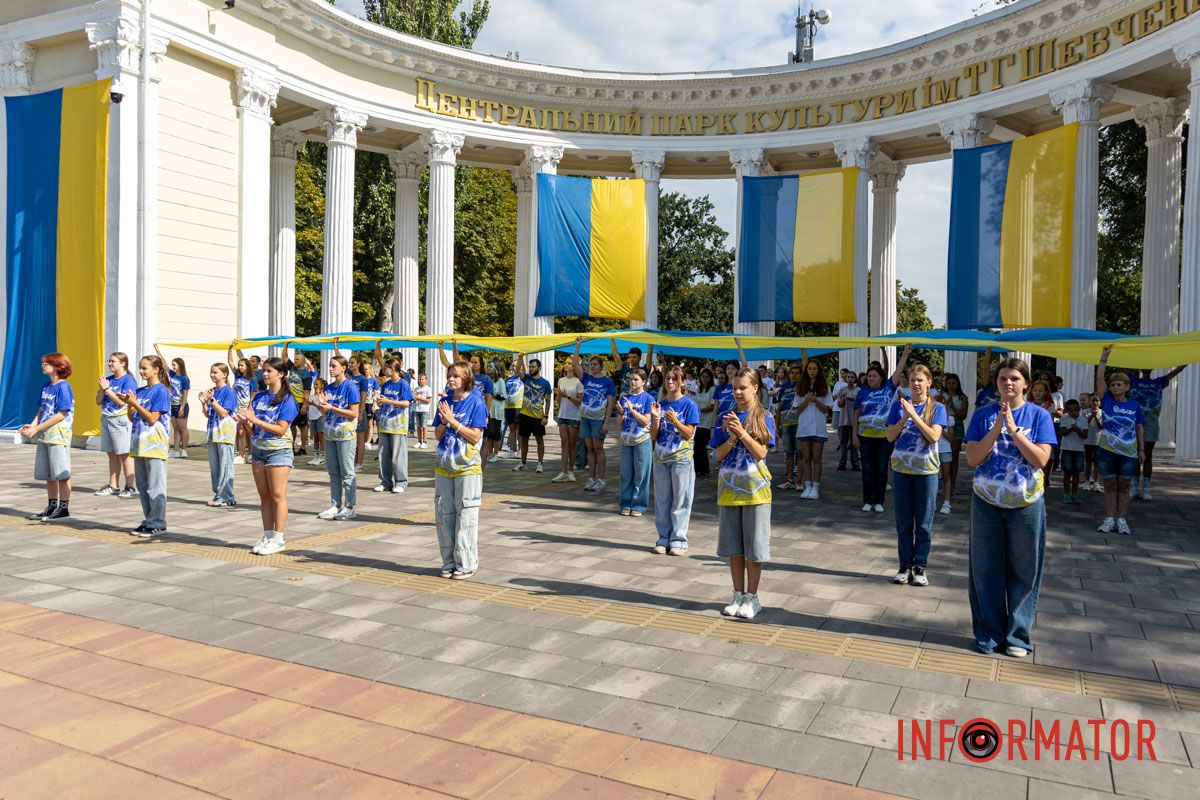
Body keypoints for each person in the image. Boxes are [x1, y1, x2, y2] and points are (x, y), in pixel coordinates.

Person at [964, 357, 1056, 658]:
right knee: (985, 569)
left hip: (1026, 505)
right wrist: (997, 428)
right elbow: (973, 458)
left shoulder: (1039, 415)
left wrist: (1015, 431)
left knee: (1024, 570)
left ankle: (1018, 636)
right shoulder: (982, 414)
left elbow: (1041, 460)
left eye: (1014, 378)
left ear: (1026, 383)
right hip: (987, 504)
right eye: (1003, 378)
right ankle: (989, 634)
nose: (1008, 383)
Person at [712, 367, 776, 621]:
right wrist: (730, 437)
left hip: (756, 491)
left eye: (742, 387)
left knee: (754, 549)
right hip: (729, 490)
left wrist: (742, 433)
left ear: (755, 388)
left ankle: (752, 597)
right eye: (734, 387)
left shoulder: (764, 416)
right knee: (734, 548)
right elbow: (718, 454)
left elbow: (761, 452)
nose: (737, 392)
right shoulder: (725, 416)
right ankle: (737, 593)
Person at [885, 364, 946, 587]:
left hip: (926, 472)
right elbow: (890, 437)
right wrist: (904, 417)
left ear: (929, 382)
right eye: (912, 380)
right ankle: (904, 565)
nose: (916, 384)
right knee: (903, 522)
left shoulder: (937, 408)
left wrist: (914, 416)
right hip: (901, 471)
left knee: (923, 523)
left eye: (920, 380)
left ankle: (920, 566)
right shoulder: (898, 406)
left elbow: (933, 437)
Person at [238, 357, 299, 555]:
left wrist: (254, 419)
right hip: (259, 449)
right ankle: (267, 535)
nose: (264, 374)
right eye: (264, 370)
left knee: (277, 495)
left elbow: (281, 429)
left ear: (280, 374)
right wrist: (245, 421)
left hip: (278, 450)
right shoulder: (259, 397)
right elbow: (253, 428)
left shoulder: (288, 399)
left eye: (269, 371)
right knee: (264, 496)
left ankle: (279, 538)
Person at [435, 361, 488, 580]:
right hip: (444, 467)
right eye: (449, 375)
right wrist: (444, 421)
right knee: (444, 515)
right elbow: (438, 435)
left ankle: (466, 562)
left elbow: (475, 436)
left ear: (466, 378)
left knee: (465, 515)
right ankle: (448, 562)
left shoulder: (476, 403)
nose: (451, 379)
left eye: (456, 376)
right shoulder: (445, 402)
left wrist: (453, 421)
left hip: (467, 468)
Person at [852, 345, 912, 513]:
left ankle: (879, 501)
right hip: (865, 437)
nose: (871, 378)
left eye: (874, 376)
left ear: (880, 377)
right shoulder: (862, 393)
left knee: (881, 469)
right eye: (869, 376)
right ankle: (867, 500)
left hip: (884, 438)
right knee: (867, 469)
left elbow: (898, 370)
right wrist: (854, 436)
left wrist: (905, 353)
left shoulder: (888, 388)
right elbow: (855, 415)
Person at [1094, 346, 1144, 536]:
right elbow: (1099, 379)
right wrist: (1103, 359)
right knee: (1109, 485)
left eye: (1119, 384)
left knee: (1124, 486)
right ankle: (1108, 519)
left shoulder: (1134, 405)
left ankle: (1121, 520)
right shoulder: (1106, 399)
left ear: (1127, 386)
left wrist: (1141, 450)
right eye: (1113, 384)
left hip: (1128, 453)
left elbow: (1139, 427)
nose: (1115, 387)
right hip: (1106, 451)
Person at [650, 366, 699, 554]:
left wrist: (675, 422)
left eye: (674, 379)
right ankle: (663, 538)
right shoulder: (660, 404)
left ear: (682, 382)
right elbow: (654, 435)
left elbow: (689, 434)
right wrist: (655, 419)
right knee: (662, 500)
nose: (670, 382)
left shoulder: (689, 405)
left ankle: (679, 539)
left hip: (681, 459)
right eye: (667, 379)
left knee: (681, 500)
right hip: (661, 458)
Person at [23, 353, 75, 522]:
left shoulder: (63, 387)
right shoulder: (46, 386)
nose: (42, 366)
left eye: (46, 363)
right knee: (49, 474)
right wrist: (32, 426)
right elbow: (41, 410)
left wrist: (37, 428)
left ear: (57, 366)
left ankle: (64, 509)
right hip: (45, 435)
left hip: (58, 435)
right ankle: (52, 506)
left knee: (61, 472)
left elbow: (61, 414)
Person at [126, 355, 172, 537]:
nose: (141, 371)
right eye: (140, 367)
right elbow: (132, 417)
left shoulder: (161, 391)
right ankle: (149, 520)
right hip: (140, 444)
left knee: (155, 485)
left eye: (145, 368)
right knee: (143, 486)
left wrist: (134, 403)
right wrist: (131, 404)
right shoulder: (140, 390)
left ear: (156, 369)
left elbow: (153, 418)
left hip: (155, 445)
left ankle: (158, 522)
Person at [313, 355, 361, 521]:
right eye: (330, 366)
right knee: (333, 472)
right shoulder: (330, 388)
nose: (331, 369)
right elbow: (326, 412)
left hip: (346, 435)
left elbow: (353, 413)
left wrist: (332, 407)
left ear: (343, 368)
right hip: (330, 434)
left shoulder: (350, 387)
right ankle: (335, 505)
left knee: (347, 472)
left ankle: (350, 506)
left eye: (334, 366)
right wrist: (322, 405)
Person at [1129, 365, 1187, 500]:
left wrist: (1185, 362)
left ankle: (1146, 489)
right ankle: (1135, 487)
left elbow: (1175, 372)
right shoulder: (1133, 380)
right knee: (1134, 455)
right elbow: (1124, 366)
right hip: (1134, 420)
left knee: (1148, 455)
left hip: (1151, 421)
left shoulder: (1158, 382)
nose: (1146, 367)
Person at [573, 338, 616, 492]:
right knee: (589, 448)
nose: (592, 366)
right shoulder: (587, 378)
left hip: (598, 420)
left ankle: (602, 479)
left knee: (599, 448)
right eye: (591, 364)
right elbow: (574, 365)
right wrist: (578, 346)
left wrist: (606, 423)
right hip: (585, 418)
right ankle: (591, 478)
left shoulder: (608, 382)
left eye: (595, 364)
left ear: (601, 366)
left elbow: (610, 404)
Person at [95, 352, 138, 498]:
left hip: (120, 420)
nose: (110, 364)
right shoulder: (108, 380)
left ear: (123, 363)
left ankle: (130, 486)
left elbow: (122, 402)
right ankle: (113, 485)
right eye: (109, 361)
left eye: (113, 361)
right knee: (111, 453)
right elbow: (98, 401)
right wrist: (102, 389)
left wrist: (107, 389)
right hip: (107, 418)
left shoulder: (128, 380)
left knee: (124, 454)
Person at [374, 342, 413, 493]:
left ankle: (401, 482)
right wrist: (378, 400)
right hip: (385, 424)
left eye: (386, 368)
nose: (384, 370)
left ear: (393, 369)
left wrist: (388, 401)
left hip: (398, 425)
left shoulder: (403, 384)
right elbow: (383, 400)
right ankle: (385, 482)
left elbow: (406, 403)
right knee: (383, 455)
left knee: (398, 456)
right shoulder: (386, 384)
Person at [198, 363, 238, 508]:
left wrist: (212, 401)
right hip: (212, 433)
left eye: (215, 372)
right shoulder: (211, 391)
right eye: (211, 372)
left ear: (225, 374)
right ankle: (218, 494)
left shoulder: (229, 392)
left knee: (225, 466)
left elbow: (223, 412)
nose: (212, 375)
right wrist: (203, 403)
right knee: (215, 467)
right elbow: (208, 413)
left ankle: (227, 496)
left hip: (225, 434)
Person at [617, 368, 654, 516]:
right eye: (631, 379)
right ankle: (625, 504)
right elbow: (620, 423)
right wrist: (621, 412)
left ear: (644, 382)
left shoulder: (648, 398)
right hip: (626, 440)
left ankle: (638, 505)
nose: (632, 382)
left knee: (641, 474)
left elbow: (646, 421)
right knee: (626, 474)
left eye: (636, 379)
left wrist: (632, 411)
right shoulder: (624, 398)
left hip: (642, 440)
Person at [795, 357, 831, 500]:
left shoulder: (825, 387)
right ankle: (807, 486)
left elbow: (826, 410)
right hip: (804, 428)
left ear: (819, 370)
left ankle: (815, 487)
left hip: (818, 428)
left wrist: (815, 400)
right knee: (806, 457)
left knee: (816, 458)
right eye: (809, 368)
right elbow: (797, 409)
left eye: (814, 369)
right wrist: (806, 400)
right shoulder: (800, 387)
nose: (812, 371)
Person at [513, 355, 553, 473]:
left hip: (537, 416)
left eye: (533, 366)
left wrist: (545, 416)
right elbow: (517, 371)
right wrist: (520, 358)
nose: (530, 368)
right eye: (529, 366)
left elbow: (548, 400)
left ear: (539, 368)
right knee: (523, 440)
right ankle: (523, 462)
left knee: (539, 440)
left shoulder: (545, 383)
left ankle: (540, 463)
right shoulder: (526, 378)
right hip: (524, 414)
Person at [938, 373, 969, 514]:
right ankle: (944, 483)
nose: (951, 385)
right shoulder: (939, 396)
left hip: (956, 426)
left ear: (958, 384)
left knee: (954, 457)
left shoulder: (962, 398)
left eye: (953, 383)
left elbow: (963, 415)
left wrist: (951, 405)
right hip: (942, 425)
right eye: (949, 383)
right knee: (942, 456)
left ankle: (953, 484)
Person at [154, 345, 190, 459]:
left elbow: (185, 394)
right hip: (172, 405)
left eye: (175, 364)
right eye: (173, 365)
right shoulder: (173, 375)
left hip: (181, 405)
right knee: (175, 428)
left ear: (180, 365)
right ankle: (175, 449)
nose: (173, 366)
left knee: (183, 428)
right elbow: (164, 365)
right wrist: (158, 351)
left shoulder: (184, 378)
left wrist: (182, 407)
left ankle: (184, 449)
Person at [552, 359, 583, 482]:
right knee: (564, 444)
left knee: (572, 444)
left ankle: (571, 471)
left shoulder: (578, 382)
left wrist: (568, 396)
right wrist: (559, 395)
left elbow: (580, 401)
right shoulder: (561, 380)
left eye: (569, 363)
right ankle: (563, 471)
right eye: (566, 363)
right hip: (562, 414)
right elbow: (559, 401)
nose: (566, 365)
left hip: (574, 416)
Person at [282, 344, 314, 456]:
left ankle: (303, 447)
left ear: (303, 361)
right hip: (290, 402)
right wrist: (286, 344)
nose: (295, 361)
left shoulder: (306, 375)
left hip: (300, 402)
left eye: (297, 359)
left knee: (303, 426)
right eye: (294, 359)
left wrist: (305, 405)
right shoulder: (292, 369)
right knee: (291, 425)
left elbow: (307, 392)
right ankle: (292, 446)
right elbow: (284, 357)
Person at [228, 344, 256, 464]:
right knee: (240, 431)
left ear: (247, 366)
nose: (239, 367)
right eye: (239, 365)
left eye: (242, 365)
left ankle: (251, 454)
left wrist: (250, 407)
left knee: (249, 431)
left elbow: (253, 394)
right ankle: (240, 454)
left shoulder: (251, 379)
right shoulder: (237, 375)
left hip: (246, 407)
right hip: (237, 407)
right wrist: (230, 349)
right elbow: (230, 362)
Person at [775, 364, 801, 489]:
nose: (794, 375)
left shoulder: (803, 387)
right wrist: (777, 424)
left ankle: (800, 481)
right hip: (786, 423)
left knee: (800, 453)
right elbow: (779, 407)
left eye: (797, 373)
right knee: (789, 452)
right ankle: (789, 479)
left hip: (799, 423)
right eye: (792, 373)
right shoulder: (784, 387)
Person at [1059, 398, 1087, 503]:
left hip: (1079, 450)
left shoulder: (1083, 420)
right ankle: (1066, 494)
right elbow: (1062, 433)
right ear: (1067, 411)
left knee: (1076, 473)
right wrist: (1071, 429)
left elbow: (1085, 435)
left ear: (1079, 409)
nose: (1073, 413)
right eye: (1071, 411)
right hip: (1067, 449)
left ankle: (1074, 494)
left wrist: (1078, 430)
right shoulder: (1064, 418)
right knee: (1067, 472)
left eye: (1076, 410)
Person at [693, 367, 717, 479]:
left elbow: (713, 406)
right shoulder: (698, 389)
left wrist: (700, 410)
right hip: (698, 421)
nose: (705, 379)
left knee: (701, 446)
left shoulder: (713, 389)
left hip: (707, 421)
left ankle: (704, 469)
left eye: (707, 376)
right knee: (697, 446)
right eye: (703, 376)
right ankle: (697, 468)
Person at [481, 361, 506, 466]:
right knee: (489, 434)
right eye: (488, 367)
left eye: (491, 367)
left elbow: (504, 396)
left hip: (496, 410)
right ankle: (490, 453)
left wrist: (493, 395)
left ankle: (495, 453)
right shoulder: (486, 380)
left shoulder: (500, 381)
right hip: (488, 410)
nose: (489, 370)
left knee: (495, 434)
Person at [501, 354, 525, 458]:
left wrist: (521, 357)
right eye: (513, 366)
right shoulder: (508, 379)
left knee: (520, 429)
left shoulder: (522, 377)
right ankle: (512, 450)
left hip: (519, 406)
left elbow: (524, 368)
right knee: (511, 428)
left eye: (516, 366)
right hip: (508, 406)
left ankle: (520, 450)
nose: (514, 367)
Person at [836, 373, 861, 471]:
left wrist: (853, 399)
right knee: (843, 442)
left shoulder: (858, 391)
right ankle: (842, 463)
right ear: (845, 379)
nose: (850, 379)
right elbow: (839, 404)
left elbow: (861, 404)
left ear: (855, 379)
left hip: (855, 421)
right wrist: (843, 400)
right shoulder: (841, 390)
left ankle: (855, 464)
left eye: (852, 377)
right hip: (844, 420)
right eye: (848, 377)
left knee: (854, 443)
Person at [1083, 393, 1102, 491]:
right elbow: (1083, 425)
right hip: (1087, 441)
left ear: (1100, 402)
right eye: (1093, 400)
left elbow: (1102, 427)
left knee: (1097, 463)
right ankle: (1086, 481)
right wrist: (1091, 416)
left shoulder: (1102, 413)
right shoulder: (1085, 412)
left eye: (1097, 400)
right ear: (1089, 402)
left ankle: (1096, 482)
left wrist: (1096, 417)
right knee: (1088, 462)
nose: (1095, 402)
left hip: (1098, 442)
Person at [307, 378, 326, 466]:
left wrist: (314, 404)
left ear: (322, 385)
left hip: (320, 417)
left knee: (321, 437)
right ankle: (316, 456)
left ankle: (322, 457)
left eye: (317, 384)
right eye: (314, 384)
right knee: (315, 438)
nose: (315, 386)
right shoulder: (311, 396)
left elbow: (323, 408)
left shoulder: (323, 395)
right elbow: (309, 408)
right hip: (313, 418)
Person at [412, 373, 432, 448]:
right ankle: (419, 441)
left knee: (424, 426)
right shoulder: (416, 389)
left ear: (426, 380)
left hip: (424, 409)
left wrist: (420, 398)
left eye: (422, 379)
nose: (421, 381)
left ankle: (425, 441)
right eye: (420, 379)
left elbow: (429, 400)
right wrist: (414, 399)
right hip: (417, 409)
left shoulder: (427, 389)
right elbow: (414, 398)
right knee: (418, 426)